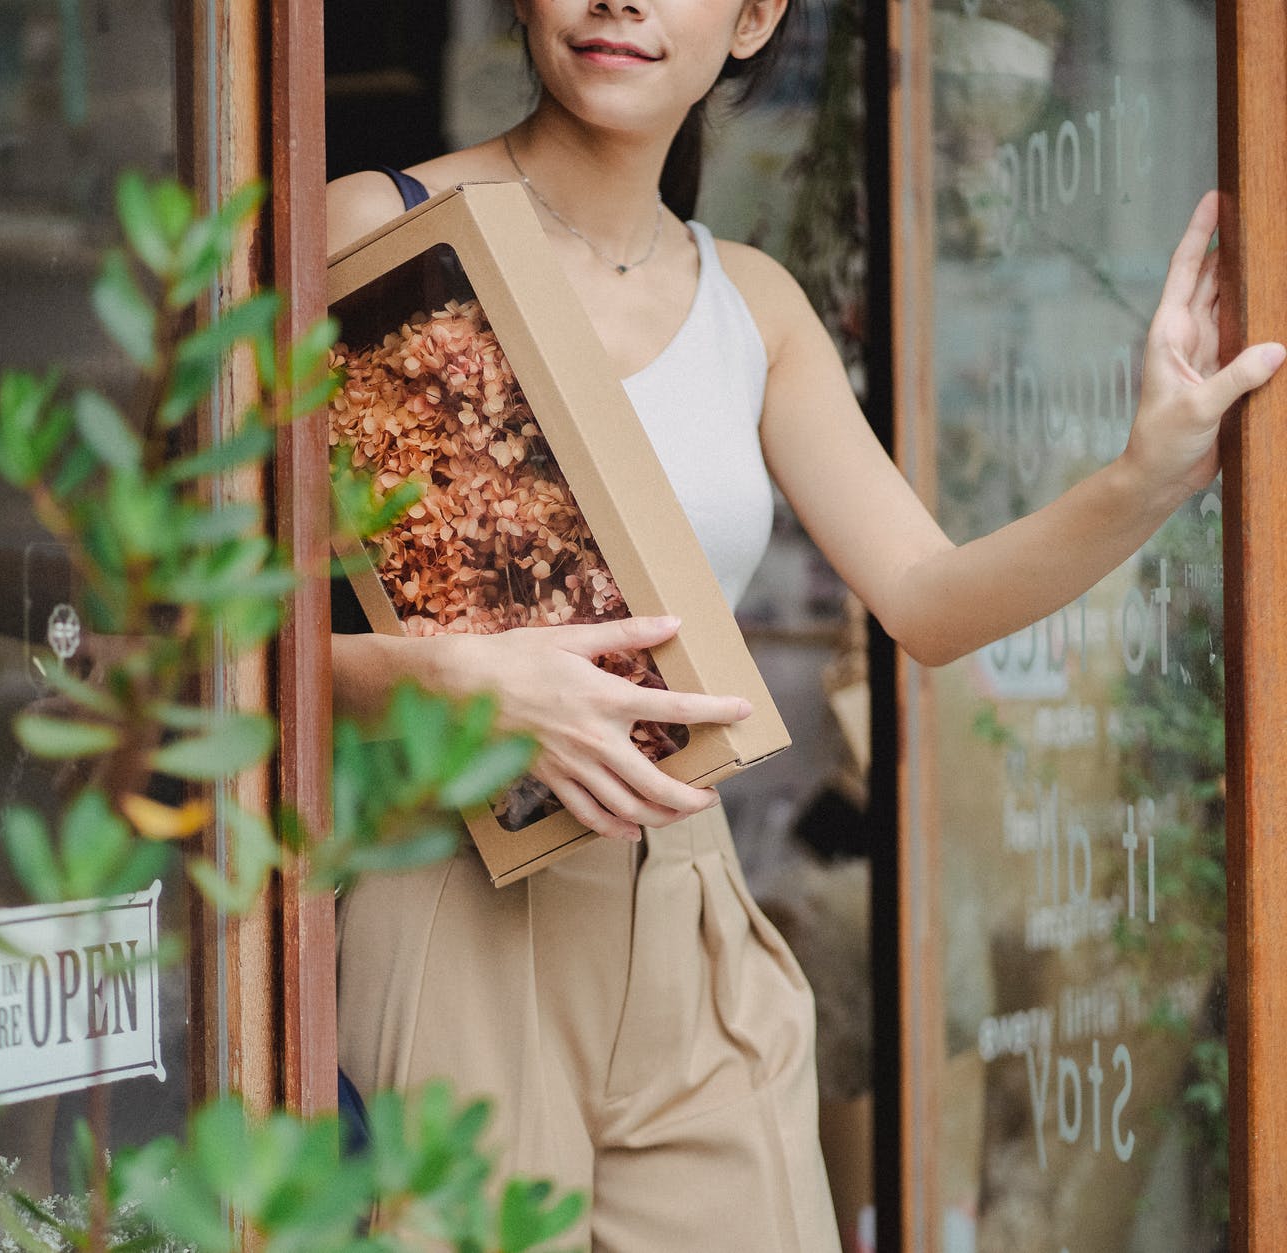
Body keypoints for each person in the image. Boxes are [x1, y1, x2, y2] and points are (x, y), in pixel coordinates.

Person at [324, 1, 1283, 1249]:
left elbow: (928, 602)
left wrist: (1143, 475)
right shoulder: (375, 230)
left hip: (688, 906)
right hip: (451, 893)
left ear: (751, 17)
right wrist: (444, 679)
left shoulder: (753, 304)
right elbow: (173, 626)